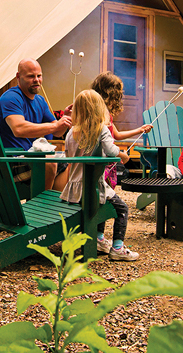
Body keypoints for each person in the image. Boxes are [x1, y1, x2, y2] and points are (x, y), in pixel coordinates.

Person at [60, 90, 138, 261]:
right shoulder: (101, 129)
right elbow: (111, 151)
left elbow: (68, 156)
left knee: (102, 203)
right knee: (122, 208)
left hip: (73, 188)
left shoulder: (71, 132)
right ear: (99, 109)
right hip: (93, 186)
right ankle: (117, 248)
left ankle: (98, 239)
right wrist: (123, 156)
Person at [0, 59, 72, 190]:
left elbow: (57, 132)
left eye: (39, 76)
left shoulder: (40, 101)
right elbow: (19, 129)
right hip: (9, 163)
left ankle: (54, 207)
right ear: (18, 77)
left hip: (30, 160)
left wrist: (65, 120)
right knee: (48, 160)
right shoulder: (11, 98)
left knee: (74, 162)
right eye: (31, 76)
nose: (36, 80)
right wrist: (55, 126)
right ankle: (41, 207)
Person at [90, 72, 153, 140]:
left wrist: (140, 130)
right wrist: (116, 151)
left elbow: (117, 135)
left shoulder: (107, 114)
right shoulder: (97, 114)